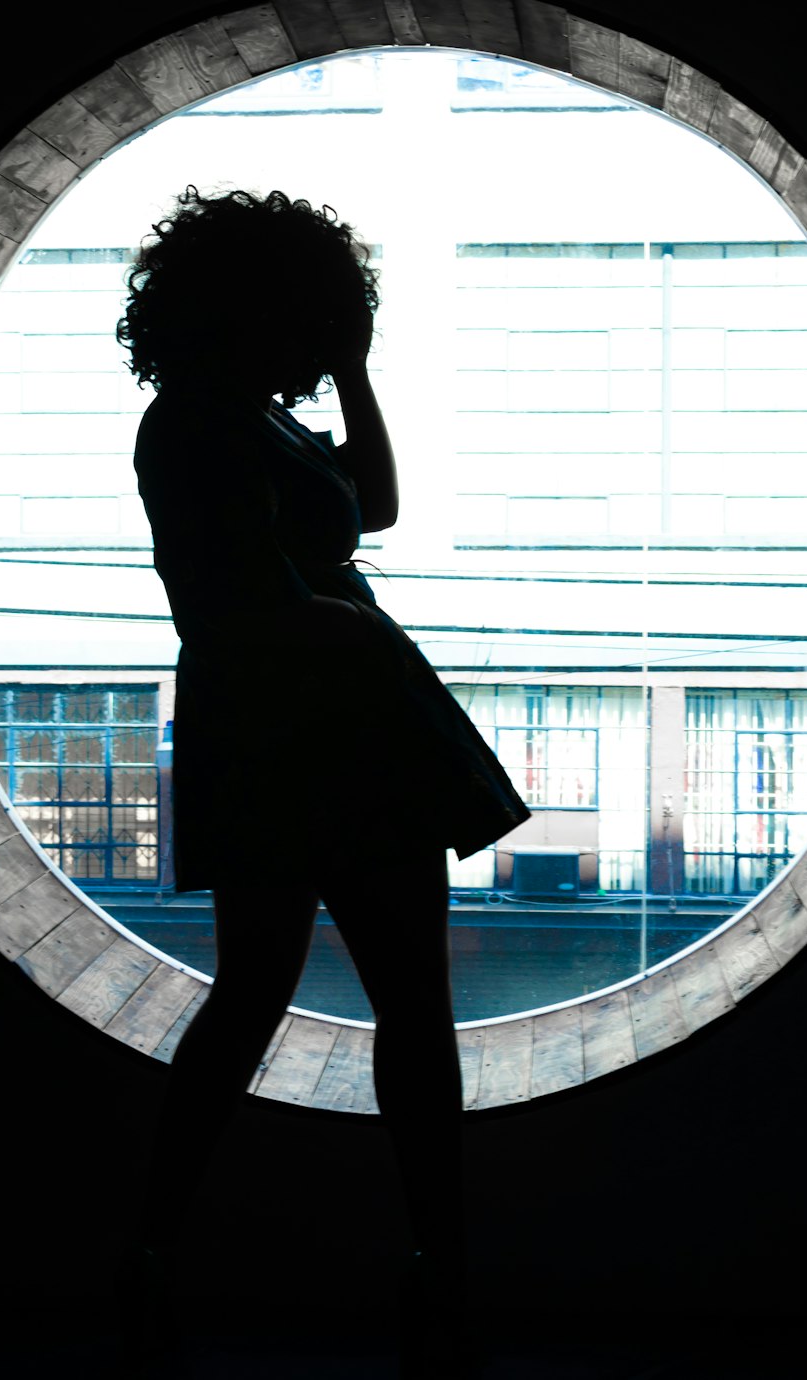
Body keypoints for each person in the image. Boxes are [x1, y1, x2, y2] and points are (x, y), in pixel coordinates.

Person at [117, 186, 530, 1375]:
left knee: (271, 995)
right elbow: (243, 603)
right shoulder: (200, 424)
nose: (323, 337)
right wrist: (371, 645)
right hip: (311, 726)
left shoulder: (236, 417)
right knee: (368, 1003)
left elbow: (375, 508)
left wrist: (349, 377)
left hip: (284, 730)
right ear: (268, 308)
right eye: (318, 317)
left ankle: (153, 1255)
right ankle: (436, 1272)